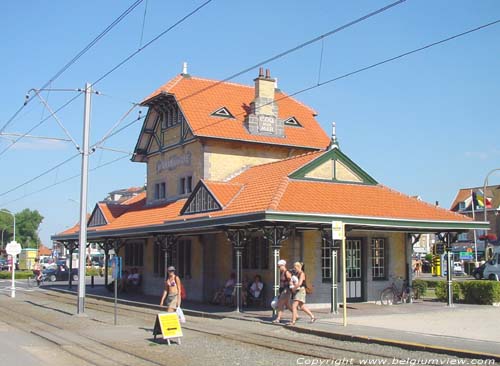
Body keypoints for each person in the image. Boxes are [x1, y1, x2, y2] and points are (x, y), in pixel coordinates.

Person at [272, 259, 293, 324]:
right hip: (283, 290)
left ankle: (278, 319)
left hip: (286, 290)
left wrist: (289, 290)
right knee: (287, 305)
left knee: (280, 304)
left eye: (279, 266)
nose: (278, 268)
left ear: (283, 265)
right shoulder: (282, 272)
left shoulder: (287, 272)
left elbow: (290, 281)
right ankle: (296, 314)